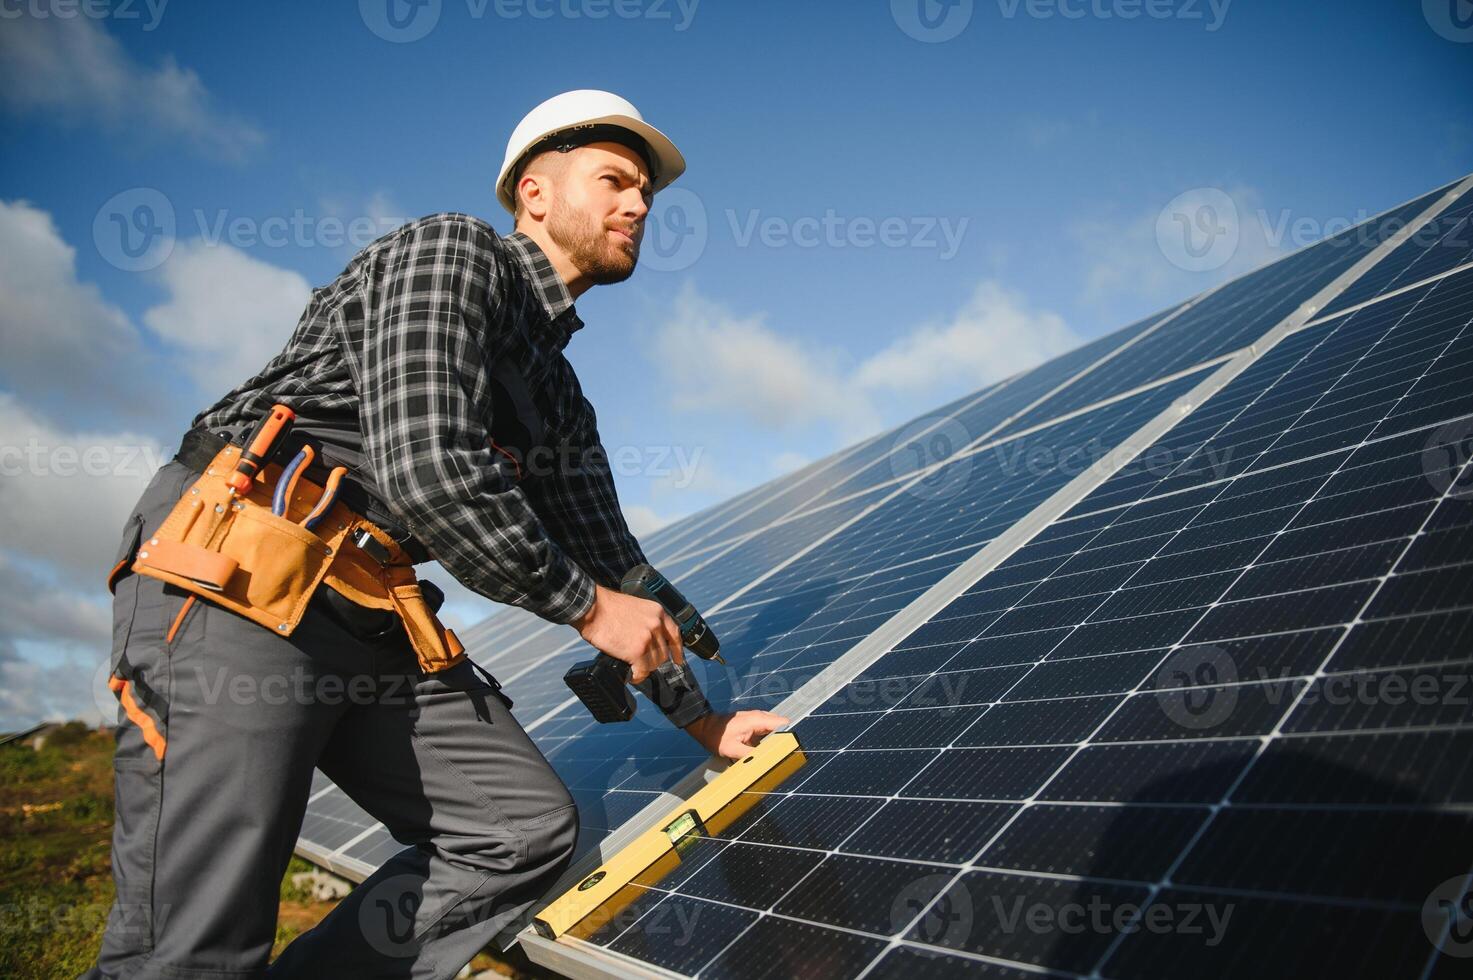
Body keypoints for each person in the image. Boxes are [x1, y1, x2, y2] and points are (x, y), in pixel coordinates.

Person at [86, 89, 788, 980]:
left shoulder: (560, 401)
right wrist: (583, 608)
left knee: (516, 832)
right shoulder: (452, 251)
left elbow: (623, 573)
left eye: (646, 193)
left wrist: (705, 725)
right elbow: (429, 464)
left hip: (374, 609)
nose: (639, 206)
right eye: (614, 179)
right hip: (243, 568)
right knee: (197, 942)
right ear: (533, 192)